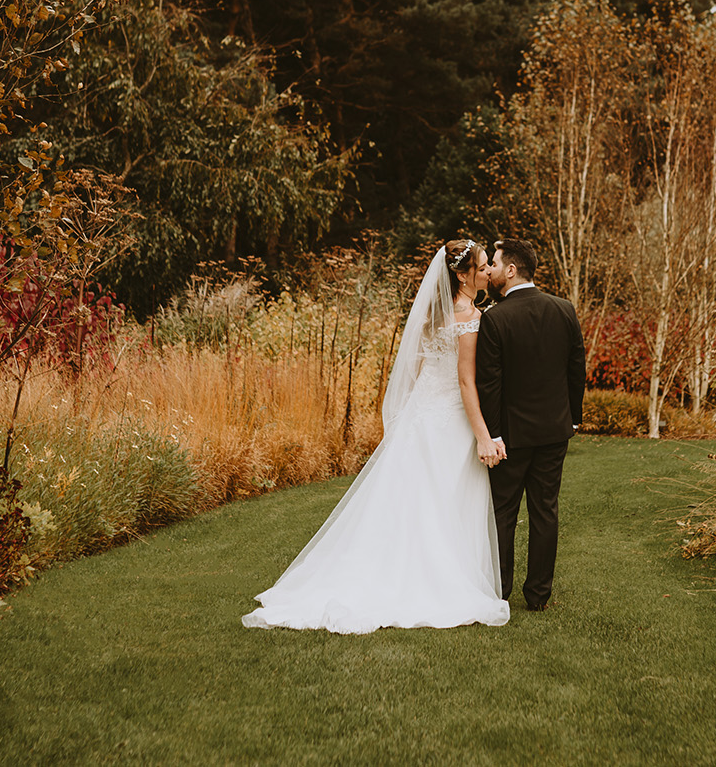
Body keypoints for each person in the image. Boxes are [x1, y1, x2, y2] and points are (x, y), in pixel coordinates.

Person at [241, 240, 510, 633]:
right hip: (449, 418)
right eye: (484, 266)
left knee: (409, 498)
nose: (489, 272)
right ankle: (436, 579)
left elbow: (416, 371)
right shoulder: (470, 317)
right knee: (444, 498)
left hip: (421, 415)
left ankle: (393, 568)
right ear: (463, 273)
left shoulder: (430, 316)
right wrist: (484, 437)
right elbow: (466, 383)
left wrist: (410, 416)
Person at [476, 238, 586, 612]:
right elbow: (576, 370)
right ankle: (538, 596)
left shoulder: (495, 317)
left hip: (510, 436)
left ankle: (499, 592)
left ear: (511, 269)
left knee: (503, 512)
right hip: (555, 431)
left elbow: (489, 383)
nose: (489, 269)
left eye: (494, 262)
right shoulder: (564, 309)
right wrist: (572, 418)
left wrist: (493, 435)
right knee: (545, 511)